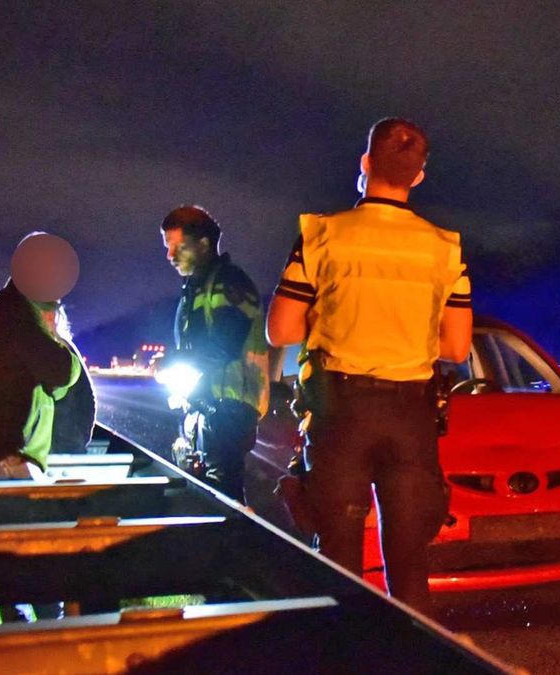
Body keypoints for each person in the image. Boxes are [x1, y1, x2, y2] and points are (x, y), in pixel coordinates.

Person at [265, 118, 473, 615]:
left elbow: (281, 330)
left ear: (365, 165)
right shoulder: (444, 248)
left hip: (342, 414)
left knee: (338, 564)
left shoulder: (324, 236)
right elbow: (458, 347)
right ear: (418, 177)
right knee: (409, 567)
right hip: (412, 417)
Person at [161, 205, 269, 502]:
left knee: (223, 494)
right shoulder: (196, 288)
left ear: (203, 244)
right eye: (167, 247)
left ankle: (239, 545)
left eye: (176, 246)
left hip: (229, 406)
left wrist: (174, 363)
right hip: (207, 405)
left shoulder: (229, 282)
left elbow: (224, 344)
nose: (169, 256)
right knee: (208, 493)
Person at [0, 232, 85, 481]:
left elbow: (54, 387)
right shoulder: (15, 313)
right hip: (6, 459)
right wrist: (58, 340)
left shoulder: (12, 310)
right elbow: (61, 372)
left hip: (10, 456)